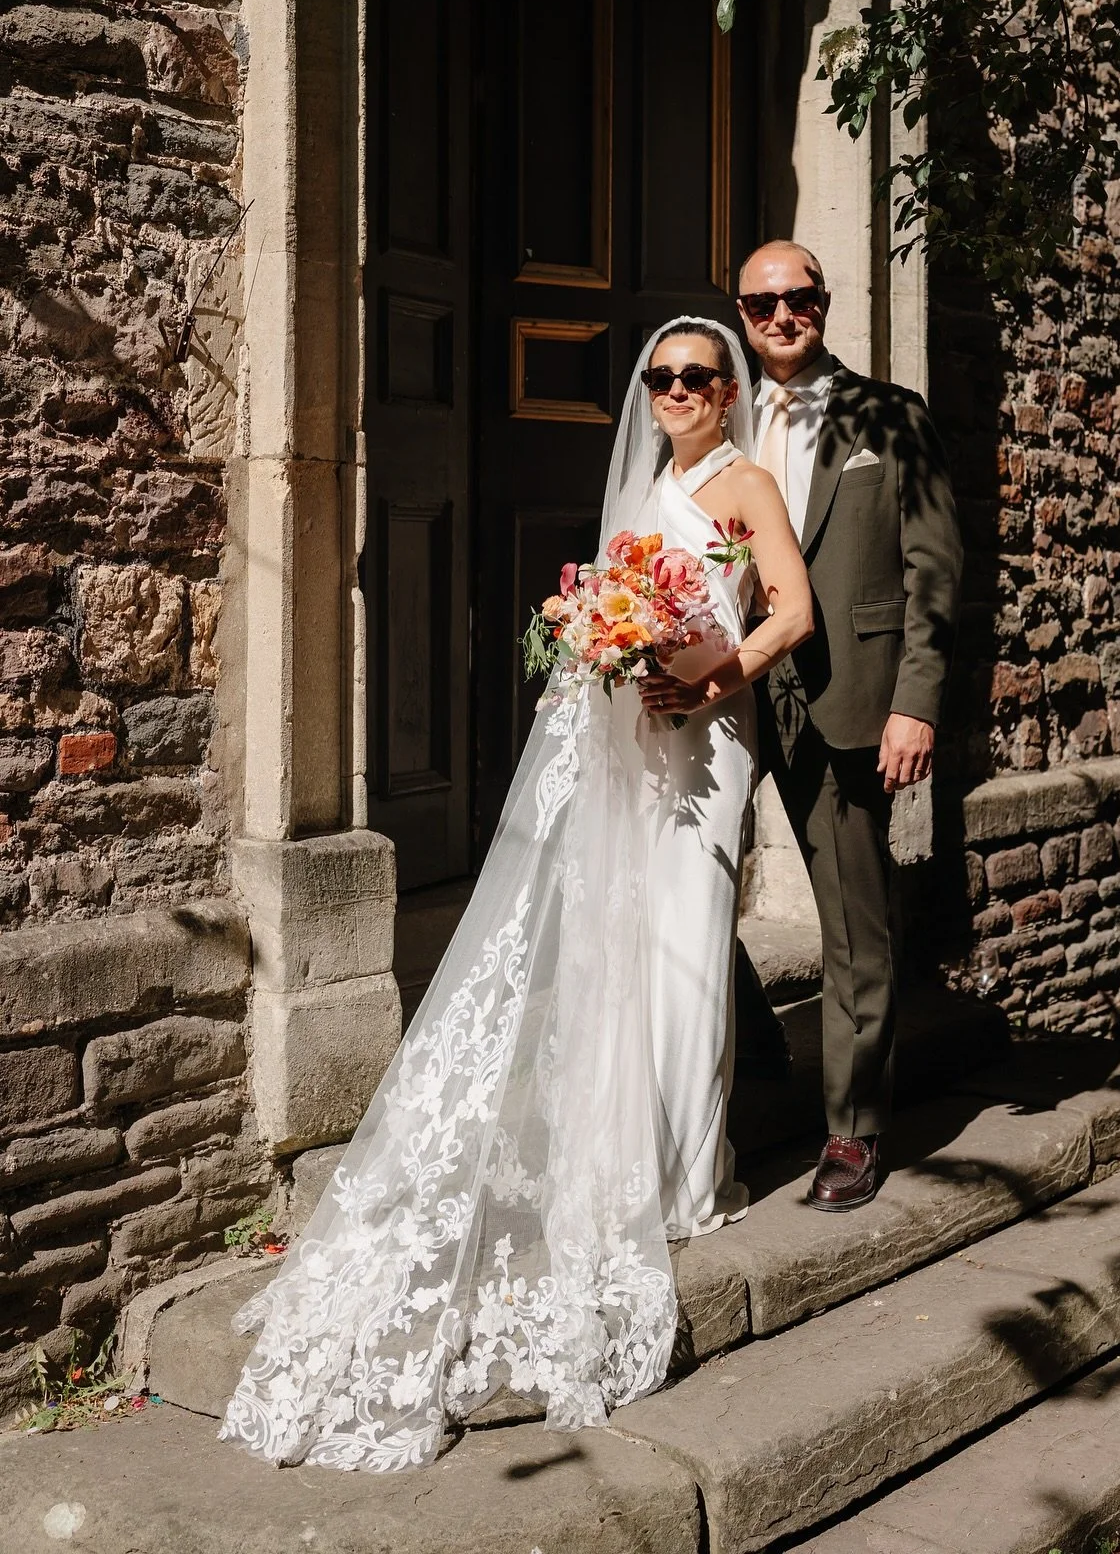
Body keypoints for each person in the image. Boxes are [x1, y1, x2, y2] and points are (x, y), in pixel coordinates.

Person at [219, 318, 811, 1470]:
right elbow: (615, 608)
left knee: (691, 938)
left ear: (732, 391)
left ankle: (688, 1175)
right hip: (630, 734)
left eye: (699, 376)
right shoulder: (642, 488)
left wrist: (715, 681)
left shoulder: (745, 488)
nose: (679, 391)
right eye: (662, 378)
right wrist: (596, 648)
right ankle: (628, 1144)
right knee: (623, 941)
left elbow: (790, 611)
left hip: (704, 740)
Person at [734, 240, 962, 1211]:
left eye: (800, 298)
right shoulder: (716, 421)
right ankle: (753, 1053)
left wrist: (916, 698)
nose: (783, 316)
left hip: (851, 697)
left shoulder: (890, 418)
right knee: (678, 890)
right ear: (741, 314)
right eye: (763, 303)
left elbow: (934, 570)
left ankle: (853, 1133)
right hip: (731, 696)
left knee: (854, 929)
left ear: (823, 304)